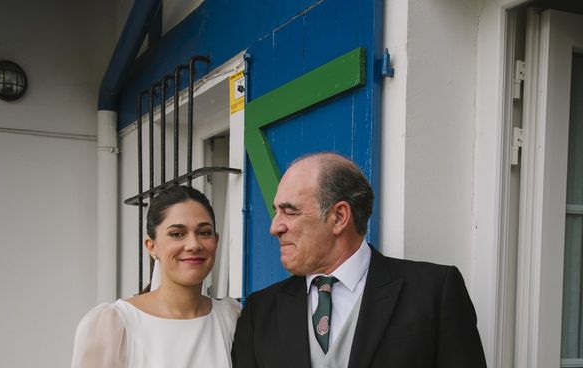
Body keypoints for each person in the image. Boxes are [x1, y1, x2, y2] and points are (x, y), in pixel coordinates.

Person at [231, 152, 486, 367]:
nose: (275, 227)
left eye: (290, 211)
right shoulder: (259, 311)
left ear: (340, 217)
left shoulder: (434, 293)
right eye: (277, 212)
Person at [72, 185, 240, 367]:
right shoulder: (114, 326)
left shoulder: (230, 318)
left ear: (216, 240)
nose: (193, 245)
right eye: (177, 234)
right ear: (151, 246)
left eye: (204, 232)